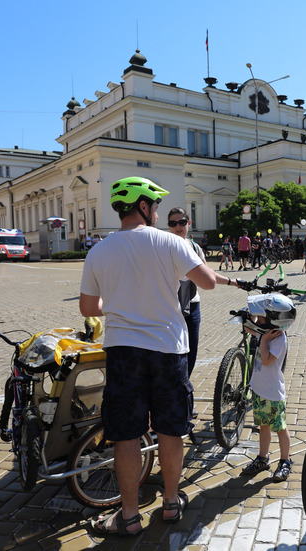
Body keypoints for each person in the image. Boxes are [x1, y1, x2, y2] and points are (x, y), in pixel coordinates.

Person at [81, 177, 238, 537]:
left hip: (123, 350)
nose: (156, 212)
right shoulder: (171, 242)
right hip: (168, 347)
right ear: (142, 206)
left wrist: (120, 305)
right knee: (170, 428)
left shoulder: (99, 251)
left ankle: (130, 516)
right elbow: (208, 283)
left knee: (127, 434)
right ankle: (170, 503)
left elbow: (88, 307)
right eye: (154, 205)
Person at [239, 294, 296, 482]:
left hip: (273, 394)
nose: (259, 320)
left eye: (262, 317)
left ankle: (285, 461)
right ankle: (263, 458)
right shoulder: (265, 332)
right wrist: (250, 315)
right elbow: (249, 327)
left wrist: (263, 341)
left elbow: (266, 360)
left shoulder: (278, 340)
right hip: (260, 390)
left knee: (280, 428)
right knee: (263, 426)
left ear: (274, 322)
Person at [167, 208, 204, 385]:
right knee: (172, 351)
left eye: (182, 222)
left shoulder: (195, 247)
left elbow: (206, 273)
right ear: (168, 226)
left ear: (189, 224)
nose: (178, 226)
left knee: (191, 350)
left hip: (192, 304)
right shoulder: (164, 247)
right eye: (173, 223)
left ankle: (184, 392)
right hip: (170, 306)